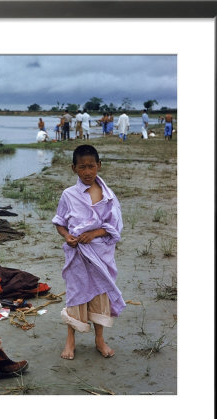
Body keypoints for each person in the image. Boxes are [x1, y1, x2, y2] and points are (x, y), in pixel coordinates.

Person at [52, 144, 125, 360]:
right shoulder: (69, 195)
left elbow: (114, 227)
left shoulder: (108, 196)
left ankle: (99, 339)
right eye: (82, 167)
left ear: (99, 166)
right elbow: (59, 223)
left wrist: (94, 233)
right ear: (73, 168)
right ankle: (70, 340)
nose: (87, 172)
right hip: (78, 257)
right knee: (75, 295)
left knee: (100, 295)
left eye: (91, 167)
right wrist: (67, 236)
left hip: (100, 255)